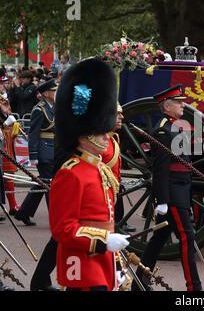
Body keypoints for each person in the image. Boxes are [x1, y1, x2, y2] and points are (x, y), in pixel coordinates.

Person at [49, 58, 129, 291]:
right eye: (100, 132)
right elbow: (63, 229)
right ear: (83, 135)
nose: (107, 137)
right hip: (83, 265)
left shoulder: (97, 169)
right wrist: (104, 241)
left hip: (102, 259)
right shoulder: (70, 174)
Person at [132, 85, 202, 291]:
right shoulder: (163, 130)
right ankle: (194, 288)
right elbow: (161, 169)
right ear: (168, 106)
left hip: (181, 188)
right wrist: (162, 200)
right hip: (172, 193)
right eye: (179, 102)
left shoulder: (177, 126)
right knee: (186, 238)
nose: (183, 104)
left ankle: (139, 282)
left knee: (160, 237)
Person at [15, 79, 57, 226]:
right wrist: (33, 155)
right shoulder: (40, 109)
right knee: (49, 185)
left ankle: (24, 212)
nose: (55, 93)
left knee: (43, 183)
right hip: (44, 151)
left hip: (53, 149)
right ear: (46, 93)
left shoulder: (54, 107)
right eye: (53, 91)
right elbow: (33, 134)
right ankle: (56, 218)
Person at [102, 103, 135, 232]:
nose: (122, 117)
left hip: (114, 184)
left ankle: (119, 223)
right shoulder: (98, 140)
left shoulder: (114, 138)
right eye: (117, 114)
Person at [0, 95, 22, 215]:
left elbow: (7, 113)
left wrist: (13, 126)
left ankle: (13, 205)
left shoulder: (3, 99)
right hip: (1, 143)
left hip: (5, 145)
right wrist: (4, 125)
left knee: (9, 176)